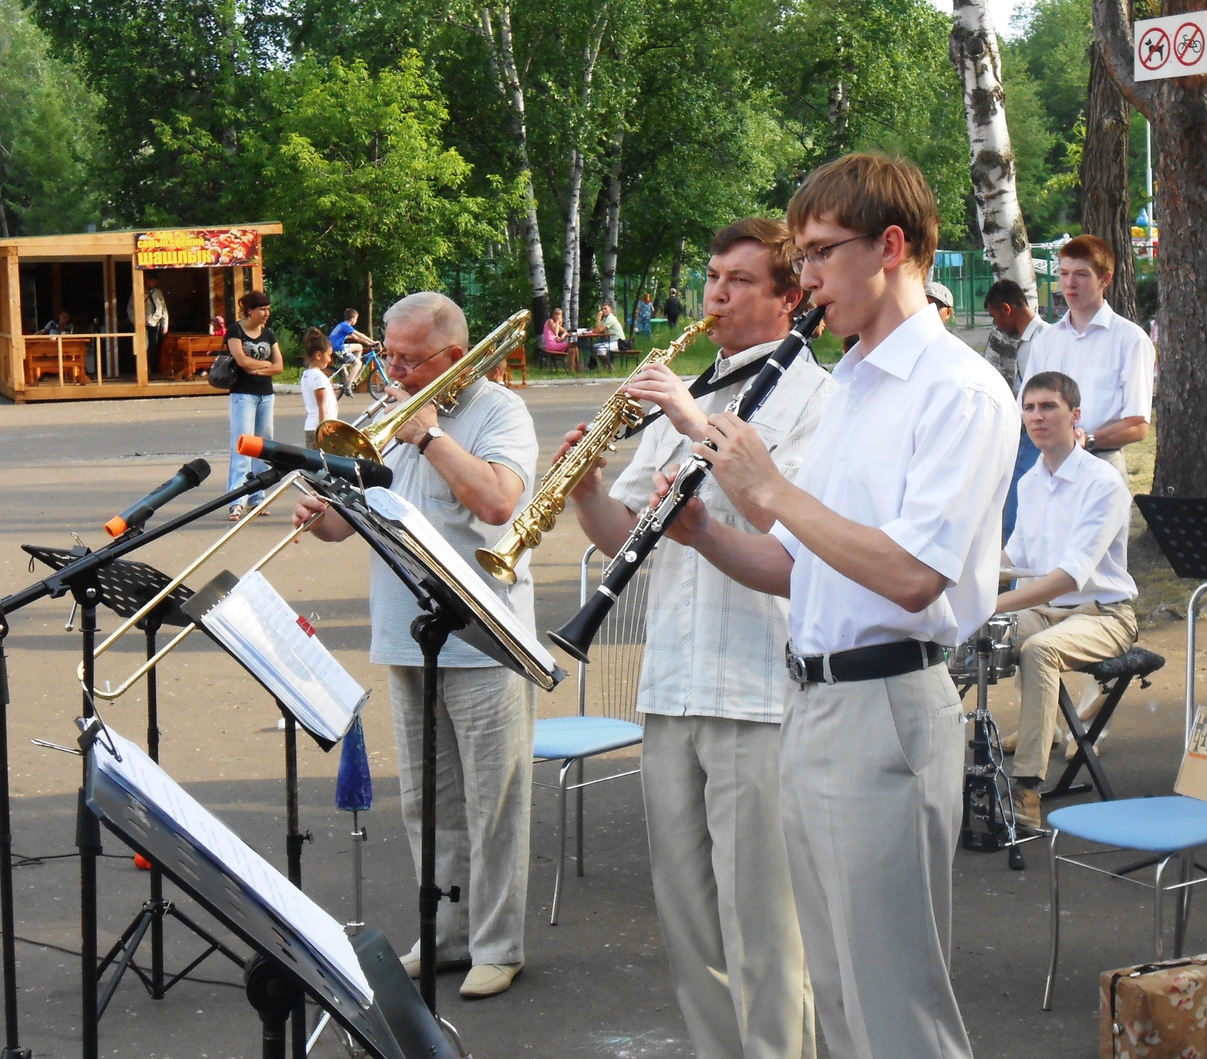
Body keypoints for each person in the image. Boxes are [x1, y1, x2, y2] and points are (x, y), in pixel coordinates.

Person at [665, 153, 1018, 1059]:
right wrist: (703, 529)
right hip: (813, 700)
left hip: (889, 704)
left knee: (895, 1005)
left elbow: (911, 576)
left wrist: (772, 487)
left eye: (821, 254)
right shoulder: (853, 383)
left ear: (890, 246)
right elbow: (797, 568)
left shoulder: (959, 390)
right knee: (836, 994)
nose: (807, 278)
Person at [564, 217, 835, 1059]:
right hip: (671, 682)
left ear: (790, 297)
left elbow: (795, 541)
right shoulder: (695, 388)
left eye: (739, 280)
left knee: (765, 930)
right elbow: (633, 536)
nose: (714, 294)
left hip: (759, 689)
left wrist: (688, 418)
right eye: (712, 277)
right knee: (688, 925)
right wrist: (585, 491)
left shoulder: (817, 401)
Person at [291, 291, 539, 998]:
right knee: (425, 802)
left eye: (405, 358)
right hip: (405, 635)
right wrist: (321, 511)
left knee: (493, 801)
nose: (389, 369)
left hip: (483, 638)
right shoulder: (386, 416)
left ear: (453, 359)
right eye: (386, 354)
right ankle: (447, 932)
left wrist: (430, 435)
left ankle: (497, 943)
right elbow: (353, 523)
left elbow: (496, 501)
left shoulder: (500, 413)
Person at [995, 371, 1138, 829]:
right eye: (1029, 408)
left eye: (1048, 407)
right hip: (1043, 612)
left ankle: (1026, 789)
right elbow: (1013, 559)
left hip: (1106, 614)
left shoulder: (1103, 482)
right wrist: (956, 580)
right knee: (977, 635)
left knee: (1039, 650)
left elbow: (1068, 577)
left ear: (1075, 415)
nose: (1036, 416)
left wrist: (994, 603)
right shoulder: (1030, 482)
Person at [1016, 234, 1154, 488]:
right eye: (1064, 273)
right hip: (1047, 467)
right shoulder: (1045, 341)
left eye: (1081, 274)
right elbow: (1024, 408)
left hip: (1102, 464)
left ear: (1105, 279)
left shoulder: (1130, 339)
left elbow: (1138, 425)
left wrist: (1086, 439)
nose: (1069, 283)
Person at [987, 278, 1052, 541]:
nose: (996, 325)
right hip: (1022, 431)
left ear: (1007, 309)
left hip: (1036, 433)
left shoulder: (1045, 340)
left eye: (995, 317)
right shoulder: (1026, 342)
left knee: (1018, 505)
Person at [225, 290, 283, 520]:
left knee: (262, 447)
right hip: (243, 394)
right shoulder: (235, 331)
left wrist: (257, 368)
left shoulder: (268, 333)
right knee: (242, 446)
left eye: (268, 309)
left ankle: (257, 498)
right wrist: (263, 365)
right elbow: (241, 360)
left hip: (266, 395)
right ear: (249, 310)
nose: (266, 313)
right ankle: (236, 501)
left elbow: (279, 366)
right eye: (262, 309)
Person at [300, 327, 339, 448]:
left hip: (311, 426)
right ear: (318, 355)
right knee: (324, 464)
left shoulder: (306, 374)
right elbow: (321, 405)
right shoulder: (318, 377)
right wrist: (323, 426)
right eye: (328, 355)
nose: (330, 359)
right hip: (321, 428)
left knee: (314, 464)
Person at [128, 273, 169, 374]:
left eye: (156, 281)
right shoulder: (138, 292)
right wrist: (136, 323)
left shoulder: (158, 293)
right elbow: (130, 309)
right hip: (143, 325)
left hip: (155, 324)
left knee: (153, 348)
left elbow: (163, 308)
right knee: (143, 347)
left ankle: (152, 369)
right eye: (153, 280)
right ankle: (144, 370)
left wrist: (165, 324)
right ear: (147, 280)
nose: (154, 283)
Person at [329, 308, 376, 387]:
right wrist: (373, 342)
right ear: (352, 318)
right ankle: (348, 384)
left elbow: (356, 338)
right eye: (356, 319)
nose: (356, 321)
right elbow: (360, 335)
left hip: (335, 347)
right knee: (358, 363)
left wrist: (368, 343)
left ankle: (354, 369)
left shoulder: (342, 325)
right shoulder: (346, 326)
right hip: (339, 349)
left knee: (359, 347)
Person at [541, 306, 578, 371]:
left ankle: (574, 366)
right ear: (553, 315)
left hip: (555, 343)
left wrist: (562, 336)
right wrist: (558, 322)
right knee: (574, 345)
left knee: (572, 348)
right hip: (551, 345)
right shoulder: (550, 321)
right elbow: (555, 332)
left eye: (559, 315)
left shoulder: (556, 324)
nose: (558, 316)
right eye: (556, 314)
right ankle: (574, 366)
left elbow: (565, 332)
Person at [591, 302, 625, 370]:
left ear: (610, 310)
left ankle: (610, 367)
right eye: (602, 309)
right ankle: (606, 366)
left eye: (605, 309)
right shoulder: (605, 319)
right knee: (594, 347)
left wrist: (598, 318)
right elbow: (598, 329)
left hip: (619, 342)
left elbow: (599, 331)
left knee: (600, 349)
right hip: (612, 341)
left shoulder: (611, 318)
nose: (603, 311)